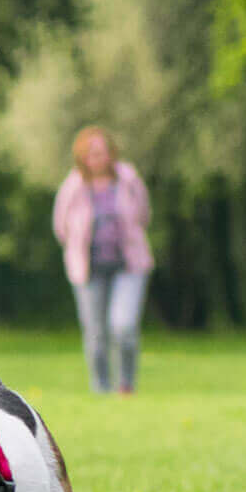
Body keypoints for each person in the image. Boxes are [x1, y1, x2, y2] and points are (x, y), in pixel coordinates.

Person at [52, 126, 153, 394]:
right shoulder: (73, 185)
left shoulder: (129, 179)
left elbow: (144, 215)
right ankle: (101, 388)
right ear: (83, 157)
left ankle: (127, 386)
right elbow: (60, 226)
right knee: (96, 334)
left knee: (124, 327)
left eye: (102, 152)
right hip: (88, 269)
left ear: (111, 153)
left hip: (129, 265)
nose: (97, 158)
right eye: (91, 153)